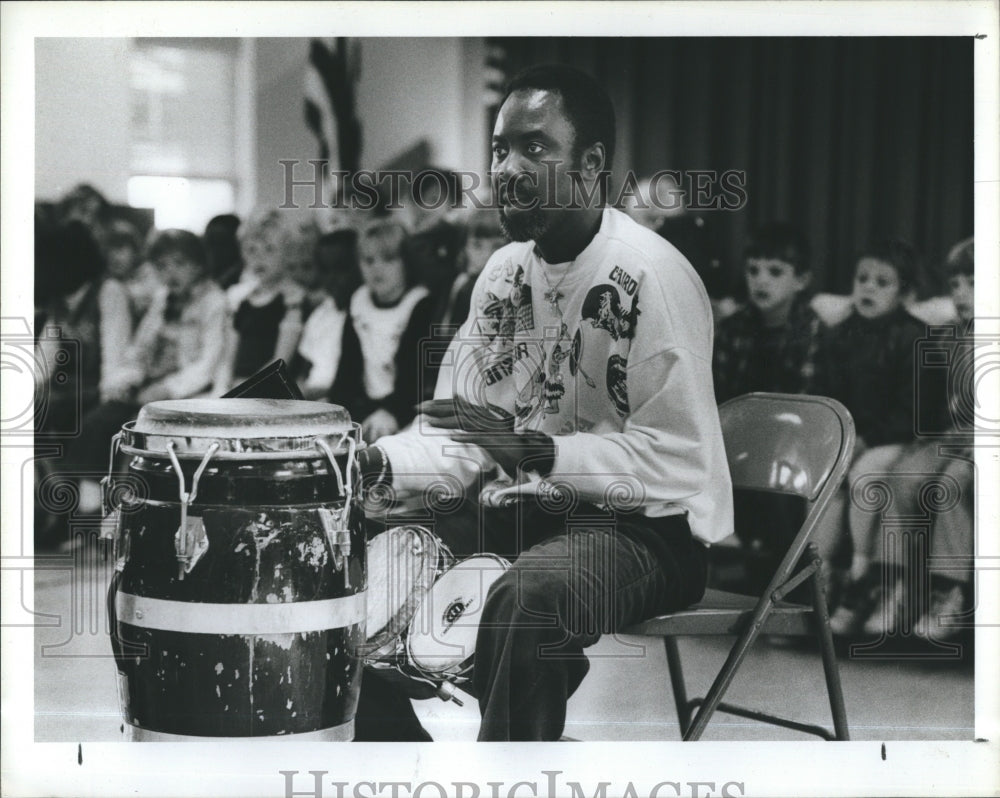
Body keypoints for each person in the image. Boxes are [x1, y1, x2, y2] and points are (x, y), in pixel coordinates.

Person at [352, 64, 732, 742]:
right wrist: (373, 466)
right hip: (529, 513)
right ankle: (403, 761)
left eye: (534, 148)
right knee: (364, 569)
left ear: (590, 163)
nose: (506, 168)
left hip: (646, 531)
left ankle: (514, 769)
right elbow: (461, 430)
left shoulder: (652, 276)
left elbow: (681, 462)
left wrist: (537, 450)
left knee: (528, 598)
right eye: (499, 149)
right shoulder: (502, 273)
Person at [811, 240, 938, 635]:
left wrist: (864, 440)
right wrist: (840, 438)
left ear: (905, 293)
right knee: (823, 483)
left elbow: (914, 412)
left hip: (898, 439)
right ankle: (817, 582)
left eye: (882, 282)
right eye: (862, 279)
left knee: (865, 474)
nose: (867, 288)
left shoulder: (914, 337)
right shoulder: (840, 335)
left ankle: (862, 577)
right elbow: (826, 395)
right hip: (851, 437)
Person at [64, 230, 227, 518]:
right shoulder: (164, 299)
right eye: (163, 266)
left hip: (190, 392)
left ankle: (111, 511)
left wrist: (168, 387)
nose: (171, 273)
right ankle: (89, 510)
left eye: (180, 264)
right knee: (97, 419)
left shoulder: (214, 301)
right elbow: (140, 348)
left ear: (199, 264)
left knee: (123, 427)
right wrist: (126, 378)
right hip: (150, 386)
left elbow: (208, 363)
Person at [711, 223, 824, 588]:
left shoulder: (810, 329)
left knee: (780, 477)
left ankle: (785, 582)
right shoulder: (733, 329)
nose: (761, 281)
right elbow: (720, 393)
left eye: (775, 272)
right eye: (753, 270)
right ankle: (751, 570)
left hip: (792, 438)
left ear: (802, 280)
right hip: (740, 434)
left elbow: (807, 401)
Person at [327, 218, 435, 443]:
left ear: (406, 262)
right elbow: (347, 367)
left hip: (408, 406)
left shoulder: (419, 304)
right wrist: (337, 410)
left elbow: (414, 376)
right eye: (368, 260)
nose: (377, 268)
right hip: (365, 405)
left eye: (388, 259)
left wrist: (392, 412)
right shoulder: (359, 302)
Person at [214, 209, 309, 393]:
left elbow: (281, 361)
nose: (259, 258)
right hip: (238, 387)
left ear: (287, 252)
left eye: (269, 249)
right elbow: (228, 357)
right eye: (251, 250)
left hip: (270, 390)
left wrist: (243, 391)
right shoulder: (242, 302)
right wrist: (222, 390)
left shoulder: (293, 300)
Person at [292, 229, 362, 400]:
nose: (332, 278)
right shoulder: (321, 314)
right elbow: (305, 371)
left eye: (341, 269)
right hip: (310, 398)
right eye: (325, 270)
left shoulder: (363, 315)